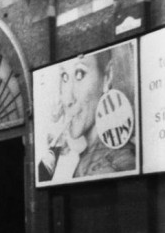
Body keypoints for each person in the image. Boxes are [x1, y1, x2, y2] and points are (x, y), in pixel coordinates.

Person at [38, 44, 136, 182]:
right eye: (64, 77)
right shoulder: (87, 157)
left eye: (79, 74)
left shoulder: (116, 161)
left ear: (107, 77)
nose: (68, 99)